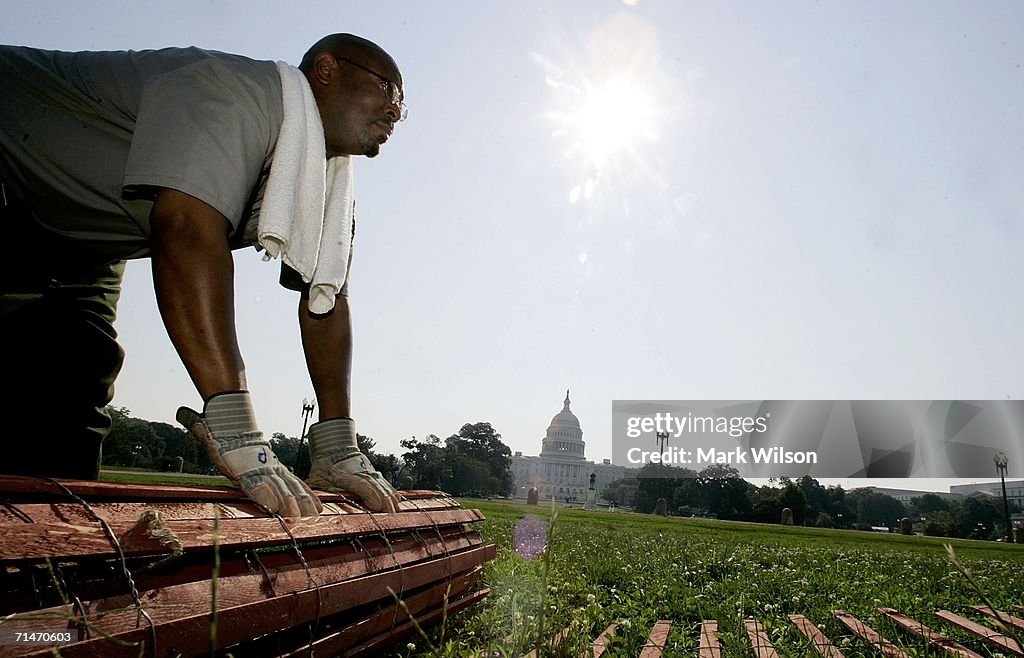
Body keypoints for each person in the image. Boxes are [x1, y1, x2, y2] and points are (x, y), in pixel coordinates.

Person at [0, 33, 404, 517]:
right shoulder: (235, 92)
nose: (395, 112)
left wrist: (337, 443)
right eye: (388, 90)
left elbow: (326, 300)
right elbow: (185, 230)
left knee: (78, 375)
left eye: (403, 105)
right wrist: (233, 420)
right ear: (326, 69)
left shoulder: (327, 183)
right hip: (12, 174)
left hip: (83, 241)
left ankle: (46, 555)